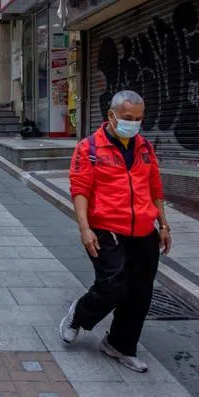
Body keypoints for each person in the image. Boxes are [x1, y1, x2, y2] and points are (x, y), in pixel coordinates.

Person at [59, 89, 172, 373]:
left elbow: (155, 188)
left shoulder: (145, 148)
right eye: (127, 118)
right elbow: (80, 190)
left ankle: (119, 345)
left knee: (141, 292)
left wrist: (164, 224)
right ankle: (79, 314)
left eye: (138, 119)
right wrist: (84, 229)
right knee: (113, 283)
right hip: (107, 227)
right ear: (111, 115)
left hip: (143, 229)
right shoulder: (90, 148)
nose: (133, 123)